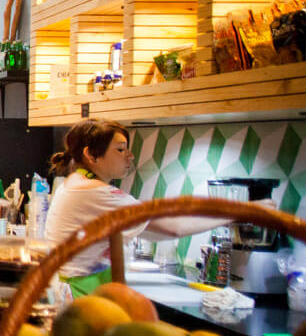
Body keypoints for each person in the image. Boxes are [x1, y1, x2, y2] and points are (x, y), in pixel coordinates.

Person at [44, 118, 233, 296]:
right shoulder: (97, 192)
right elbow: (173, 227)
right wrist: (235, 213)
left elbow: (151, 231)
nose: (130, 156)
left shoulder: (76, 183)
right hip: (82, 295)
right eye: (120, 149)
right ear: (92, 155)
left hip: (73, 291)